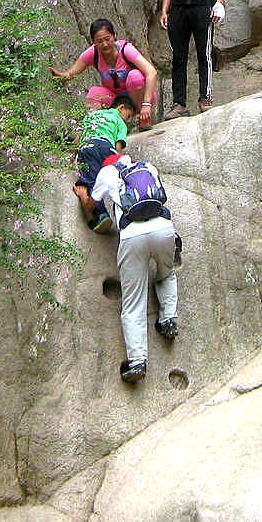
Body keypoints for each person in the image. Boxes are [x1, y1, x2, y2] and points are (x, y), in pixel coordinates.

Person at [90, 150, 179, 382]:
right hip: (163, 228)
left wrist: (83, 195)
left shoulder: (106, 173)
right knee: (166, 274)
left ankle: (138, 361)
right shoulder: (148, 167)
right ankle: (168, 319)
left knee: (133, 302)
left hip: (132, 236)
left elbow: (93, 201)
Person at [51, 19, 160, 130]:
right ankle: (93, 129)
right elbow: (71, 73)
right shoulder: (93, 53)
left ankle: (143, 118)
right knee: (94, 93)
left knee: (134, 76)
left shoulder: (126, 49)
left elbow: (151, 72)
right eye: (99, 41)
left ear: (114, 36)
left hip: (140, 97)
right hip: (117, 99)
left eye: (107, 39)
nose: (105, 44)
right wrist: (60, 77)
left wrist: (146, 104)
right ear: (93, 42)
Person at [71, 93, 139, 232]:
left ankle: (100, 215)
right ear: (121, 108)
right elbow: (118, 145)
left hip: (88, 146)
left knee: (91, 179)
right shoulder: (119, 121)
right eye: (128, 115)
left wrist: (73, 154)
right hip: (107, 148)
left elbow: (78, 136)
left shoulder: (92, 116)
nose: (127, 119)